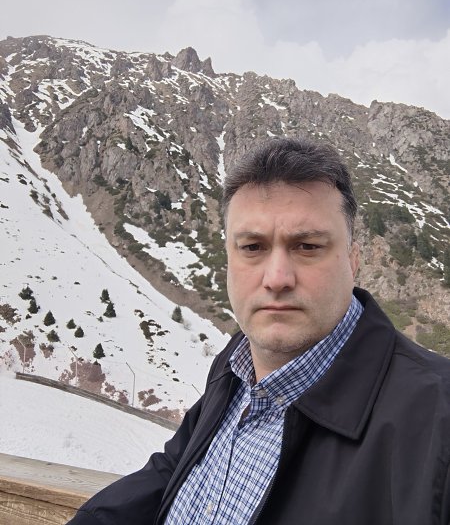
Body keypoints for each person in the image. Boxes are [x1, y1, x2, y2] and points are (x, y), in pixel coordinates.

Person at [67, 137, 450, 525]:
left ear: (353, 261)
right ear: (229, 259)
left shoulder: (438, 418)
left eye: (307, 246)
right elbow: (174, 468)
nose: (277, 278)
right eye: (252, 247)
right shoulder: (237, 362)